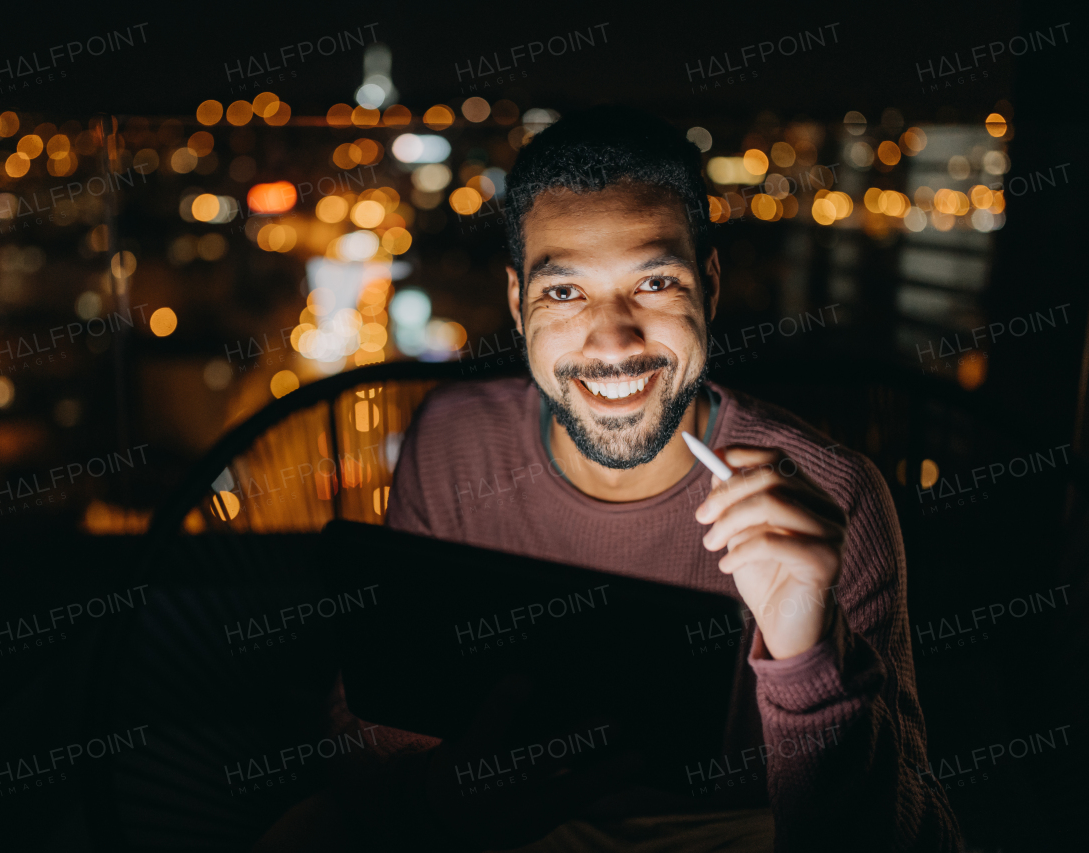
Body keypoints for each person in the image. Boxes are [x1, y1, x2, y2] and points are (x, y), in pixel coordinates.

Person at [255, 108, 962, 852]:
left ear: (709, 289)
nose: (614, 339)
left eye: (655, 282)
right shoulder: (454, 439)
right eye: (564, 292)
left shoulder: (829, 494)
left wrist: (807, 652)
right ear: (515, 304)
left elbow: (909, 836)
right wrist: (442, 799)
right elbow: (373, 719)